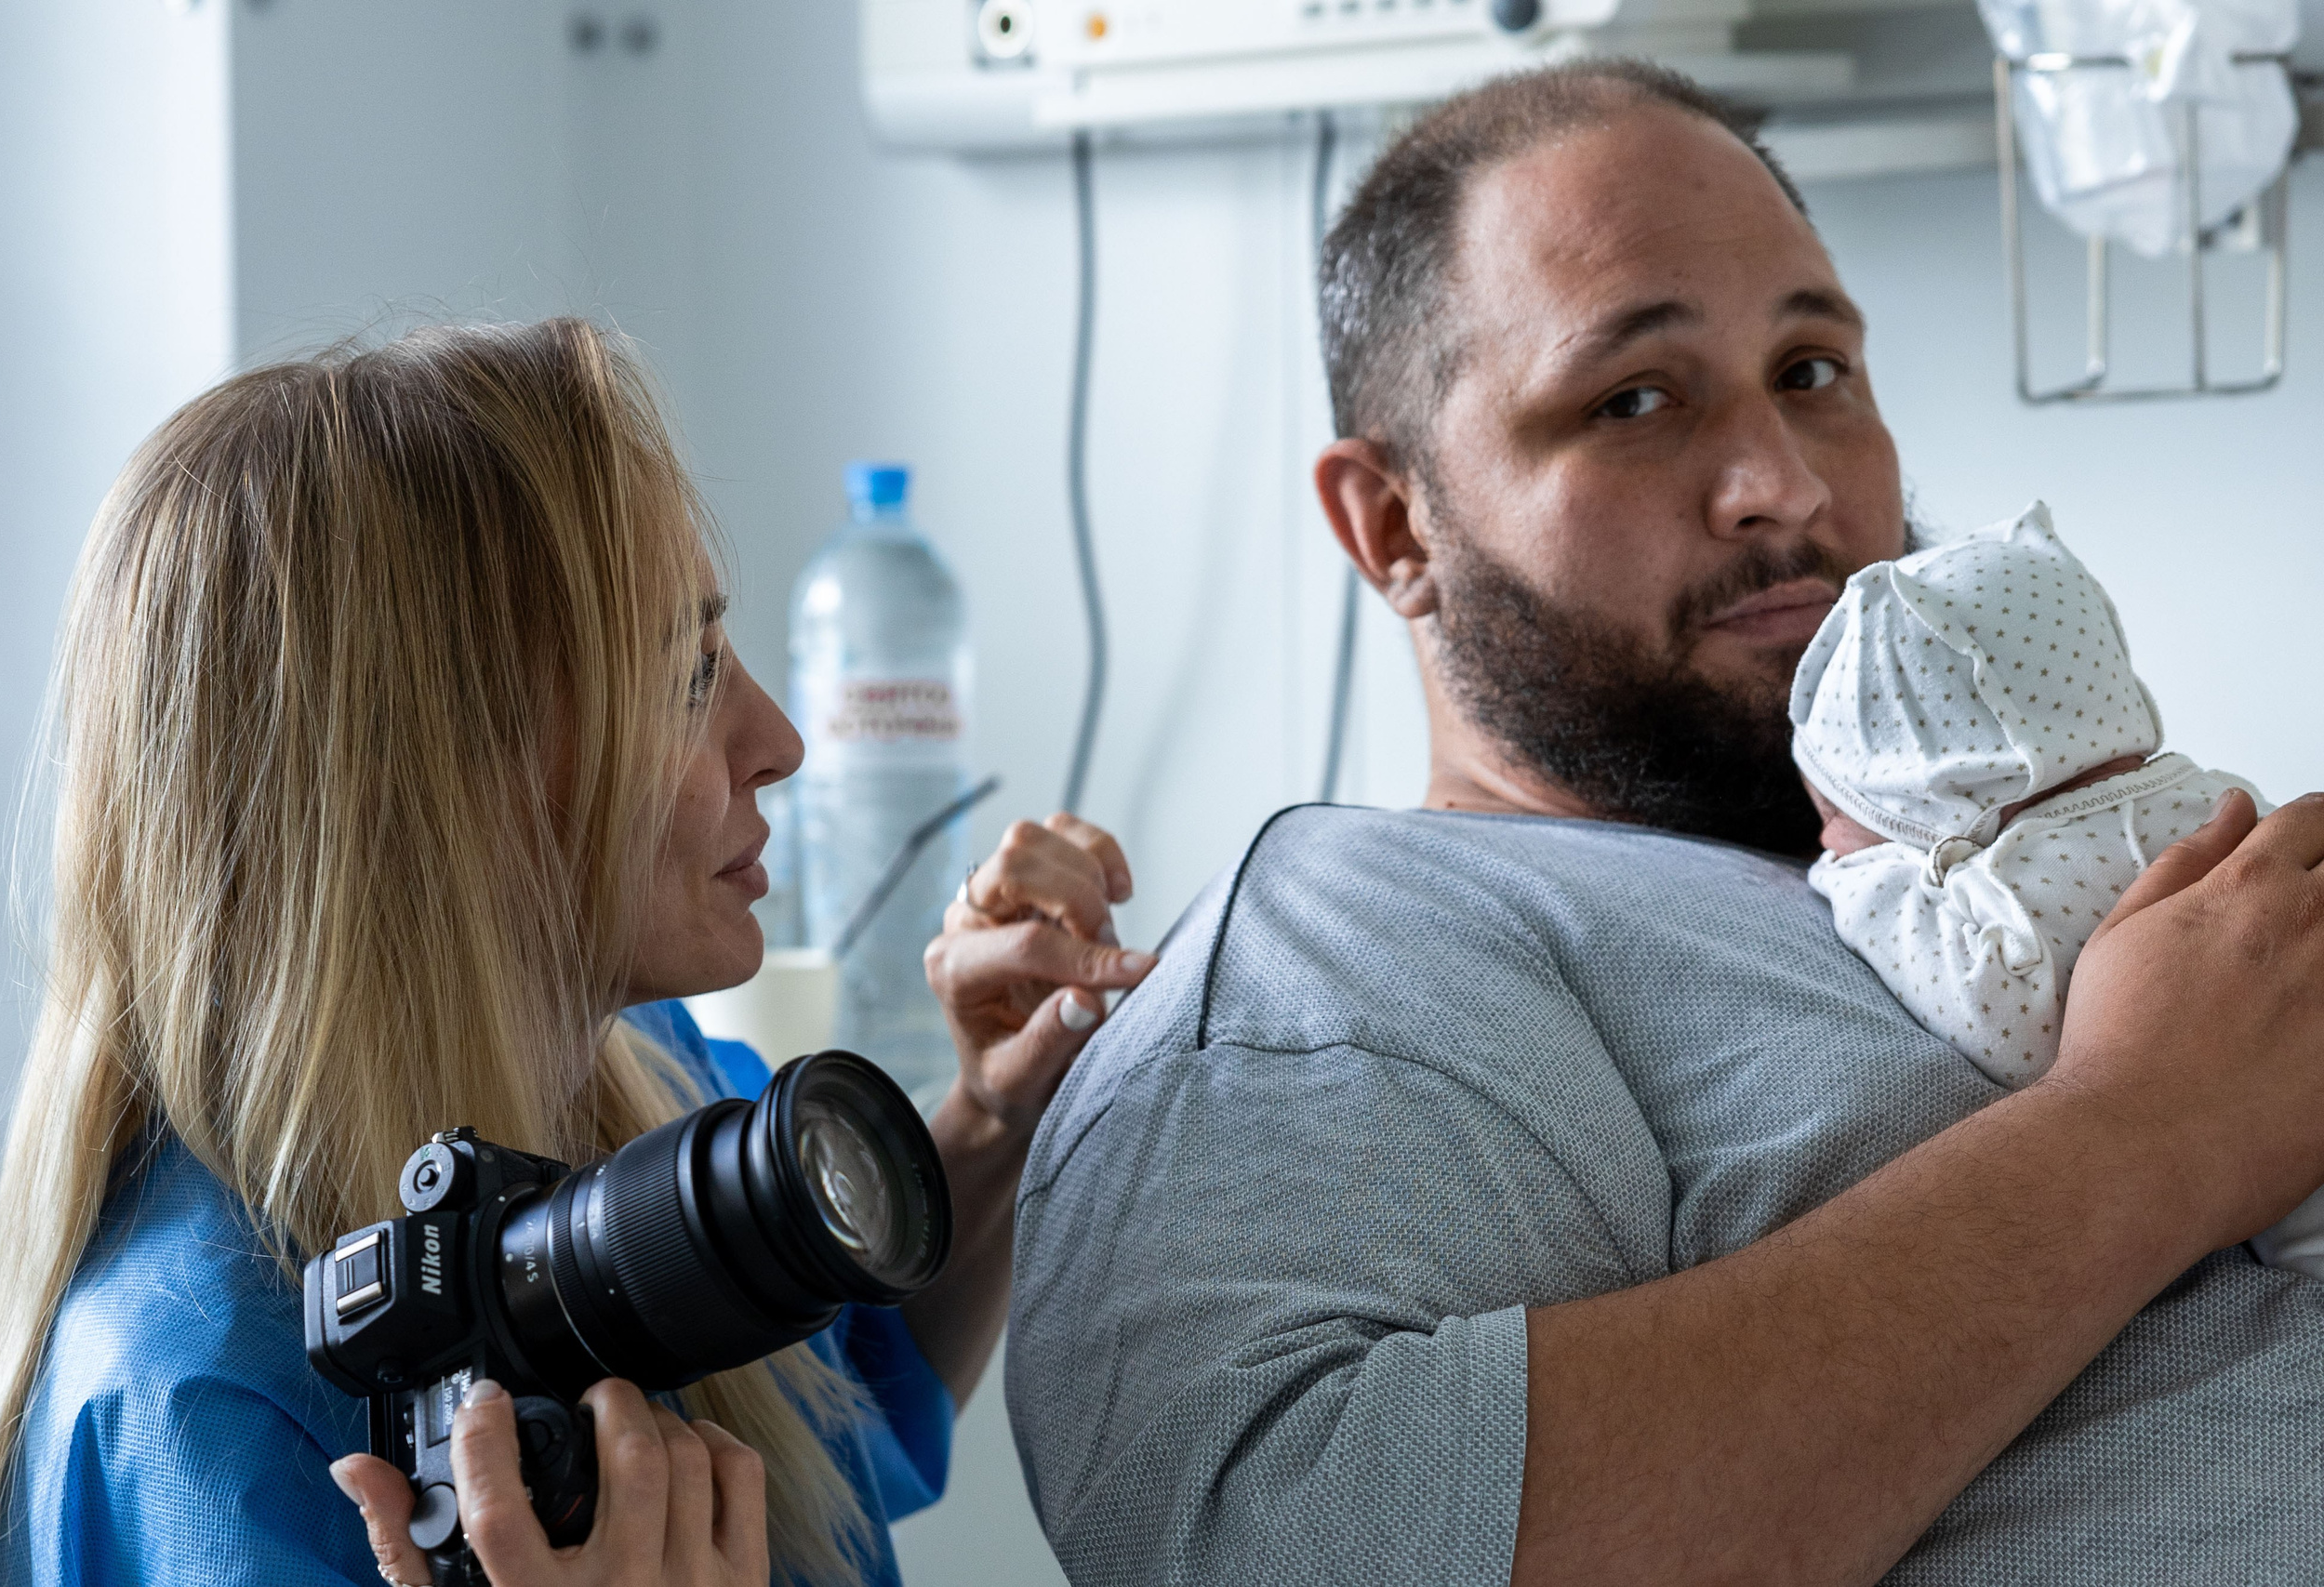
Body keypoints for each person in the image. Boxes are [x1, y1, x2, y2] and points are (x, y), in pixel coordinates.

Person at [988, 58, 2324, 1584]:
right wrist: (2141, 1135)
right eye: (1634, 400)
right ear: (1394, 524)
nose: (1784, 484)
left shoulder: (1986, 855)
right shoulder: (1345, 940)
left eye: (1814, 370)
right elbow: (1276, 1533)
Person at [0, 319, 1155, 1587]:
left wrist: (1002, 1110)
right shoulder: (200, 1407)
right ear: (437, 781)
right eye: (687, 677)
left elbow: (859, 1403)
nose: (780, 740)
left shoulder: (654, 1082)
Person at [1791, 502, 2324, 1275]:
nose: (1823, 841)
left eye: (1836, 814)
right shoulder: (2214, 793)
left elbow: (2013, 1037)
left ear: (1930, 804)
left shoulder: (2024, 895)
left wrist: (1859, 881)